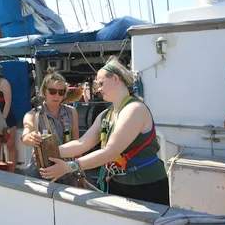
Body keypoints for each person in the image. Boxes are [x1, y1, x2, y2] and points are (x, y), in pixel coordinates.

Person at [39, 56, 169, 206]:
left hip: (146, 186)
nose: (98, 89)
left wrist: (69, 167)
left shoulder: (134, 110)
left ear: (115, 79)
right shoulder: (107, 114)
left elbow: (110, 152)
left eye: (101, 84)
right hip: (116, 183)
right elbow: (82, 143)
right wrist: (49, 152)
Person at [22, 67, 81, 185]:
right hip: (42, 173)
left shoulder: (72, 112)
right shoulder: (34, 115)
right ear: (44, 91)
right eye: (52, 91)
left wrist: (81, 174)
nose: (57, 95)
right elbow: (25, 135)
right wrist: (30, 137)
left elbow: (77, 145)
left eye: (61, 92)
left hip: (67, 171)